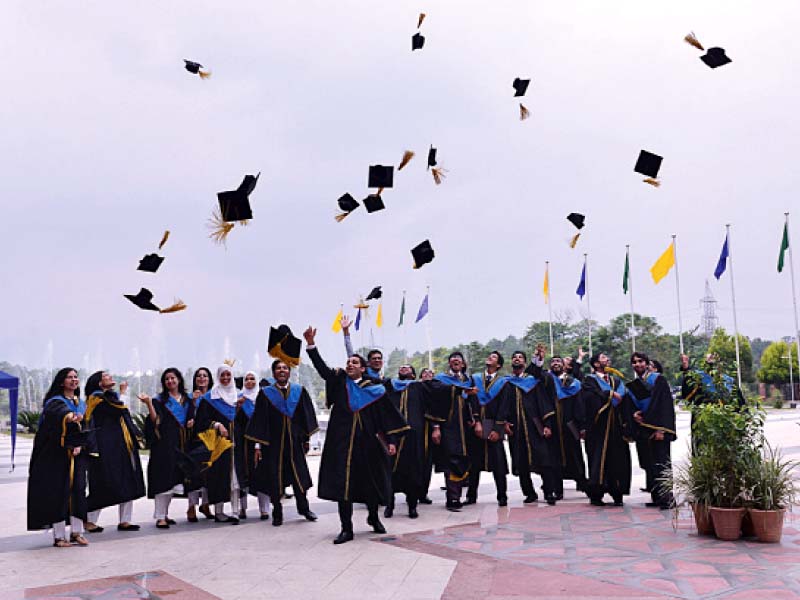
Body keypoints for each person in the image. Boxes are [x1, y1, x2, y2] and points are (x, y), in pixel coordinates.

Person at [304, 326, 409, 544]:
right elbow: (323, 369)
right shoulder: (341, 382)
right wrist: (311, 345)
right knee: (344, 486)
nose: (349, 364)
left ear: (363, 368)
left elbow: (386, 417)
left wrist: (390, 441)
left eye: (355, 362)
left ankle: (373, 518)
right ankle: (346, 528)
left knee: (371, 483)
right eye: (348, 362)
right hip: (340, 443)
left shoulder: (375, 389)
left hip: (367, 445)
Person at [246, 360, 319, 526]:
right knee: (274, 477)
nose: (282, 370)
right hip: (273, 444)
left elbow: (304, 416)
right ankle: (277, 510)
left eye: (285, 368)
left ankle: (304, 508)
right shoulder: (266, 394)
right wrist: (259, 445)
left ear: (289, 372)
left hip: (294, 442)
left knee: (298, 476)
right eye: (278, 368)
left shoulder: (298, 391)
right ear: (273, 373)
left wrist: (305, 438)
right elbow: (260, 421)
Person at [27, 368, 90, 547]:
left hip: (77, 455)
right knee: (59, 492)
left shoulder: (80, 403)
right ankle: (59, 536)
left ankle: (77, 532)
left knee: (78, 491)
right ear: (62, 382)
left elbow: (84, 426)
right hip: (57, 454)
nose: (73, 380)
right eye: (69, 377)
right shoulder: (55, 402)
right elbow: (60, 415)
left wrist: (80, 445)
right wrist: (70, 417)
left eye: (75, 377)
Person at [83, 371, 145, 532]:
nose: (111, 377)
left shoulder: (111, 397)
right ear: (98, 382)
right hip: (106, 448)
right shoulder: (96, 399)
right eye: (106, 376)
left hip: (122, 445)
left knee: (128, 480)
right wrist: (123, 394)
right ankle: (89, 519)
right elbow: (118, 409)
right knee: (103, 482)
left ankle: (125, 520)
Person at [503, 351, 560, 505]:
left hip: (535, 426)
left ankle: (549, 492)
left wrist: (547, 425)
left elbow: (543, 403)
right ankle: (529, 493)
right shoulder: (507, 383)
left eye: (520, 357)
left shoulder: (534, 381)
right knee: (521, 463)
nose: (517, 358)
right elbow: (504, 406)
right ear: (511, 362)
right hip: (517, 429)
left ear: (525, 362)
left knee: (544, 460)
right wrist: (505, 423)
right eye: (514, 357)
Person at [140, 368, 194, 529]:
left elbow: (191, 418)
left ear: (179, 379)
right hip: (164, 445)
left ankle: (165, 514)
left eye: (173, 378)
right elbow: (155, 421)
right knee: (162, 480)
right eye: (166, 379)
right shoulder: (159, 400)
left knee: (174, 481)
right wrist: (149, 404)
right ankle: (160, 516)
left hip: (181, 445)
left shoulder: (187, 400)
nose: (170, 381)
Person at [425, 352, 477, 511]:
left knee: (464, 460)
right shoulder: (440, 381)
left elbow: (474, 401)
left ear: (463, 364)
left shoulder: (468, 380)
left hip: (466, 428)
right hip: (448, 426)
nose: (456, 362)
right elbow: (434, 404)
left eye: (459, 360)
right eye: (453, 360)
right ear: (449, 364)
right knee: (452, 460)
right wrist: (436, 428)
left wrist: (475, 418)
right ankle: (452, 499)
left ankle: (460, 495)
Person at [192, 365, 242, 524]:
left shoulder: (238, 396)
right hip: (219, 445)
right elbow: (201, 422)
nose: (226, 378)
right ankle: (219, 512)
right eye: (222, 375)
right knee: (219, 476)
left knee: (235, 477)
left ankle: (235, 511)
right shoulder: (210, 398)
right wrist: (216, 425)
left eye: (228, 375)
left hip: (237, 443)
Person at [581, 353, 631, 507]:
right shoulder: (589, 380)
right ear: (596, 364)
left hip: (616, 428)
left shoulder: (616, 381)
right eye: (603, 358)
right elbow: (588, 399)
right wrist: (610, 394)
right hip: (598, 429)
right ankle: (597, 494)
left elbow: (624, 401)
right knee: (598, 459)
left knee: (618, 459)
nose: (607, 359)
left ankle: (617, 492)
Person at [627, 352, 676, 509]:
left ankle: (668, 498)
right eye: (634, 362)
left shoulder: (658, 380)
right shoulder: (635, 384)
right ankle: (656, 497)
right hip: (644, 430)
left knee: (662, 464)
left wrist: (662, 429)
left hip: (658, 430)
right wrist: (633, 414)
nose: (637, 364)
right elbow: (631, 406)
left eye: (640, 361)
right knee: (650, 465)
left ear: (647, 363)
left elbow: (664, 406)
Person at [383, 364, 433, 519]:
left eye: (408, 367)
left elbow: (435, 400)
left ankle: (412, 506)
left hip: (413, 436)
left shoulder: (419, 388)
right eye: (401, 367)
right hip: (393, 435)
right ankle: (389, 505)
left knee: (413, 472)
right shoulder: (390, 387)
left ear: (413, 374)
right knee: (390, 471)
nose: (404, 368)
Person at [465, 351, 511, 506]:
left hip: (493, 426)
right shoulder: (475, 379)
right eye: (489, 356)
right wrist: (476, 421)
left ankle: (502, 496)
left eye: (493, 357)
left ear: (498, 365)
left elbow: (504, 407)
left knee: (498, 463)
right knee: (474, 464)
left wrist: (497, 430)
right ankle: (471, 497)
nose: (489, 358)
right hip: (477, 427)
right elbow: (471, 401)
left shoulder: (503, 383)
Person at [188, 366, 214, 521]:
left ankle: (206, 504)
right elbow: (185, 417)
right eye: (198, 376)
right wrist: (192, 404)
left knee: (208, 473)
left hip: (210, 438)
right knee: (191, 474)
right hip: (193, 439)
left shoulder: (215, 396)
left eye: (205, 376)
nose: (202, 378)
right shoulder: (190, 397)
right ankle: (191, 507)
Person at [233, 371, 258, 519]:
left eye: (252, 378)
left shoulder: (262, 398)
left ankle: (264, 509)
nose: (249, 381)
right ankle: (242, 508)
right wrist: (238, 407)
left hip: (258, 442)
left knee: (260, 473)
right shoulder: (238, 398)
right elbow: (233, 420)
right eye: (247, 379)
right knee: (242, 472)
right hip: (242, 442)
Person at [340, 315, 386, 382]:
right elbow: (350, 353)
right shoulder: (363, 372)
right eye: (374, 359)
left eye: (379, 358)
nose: (377, 360)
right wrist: (346, 331)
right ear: (368, 362)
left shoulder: (382, 378)